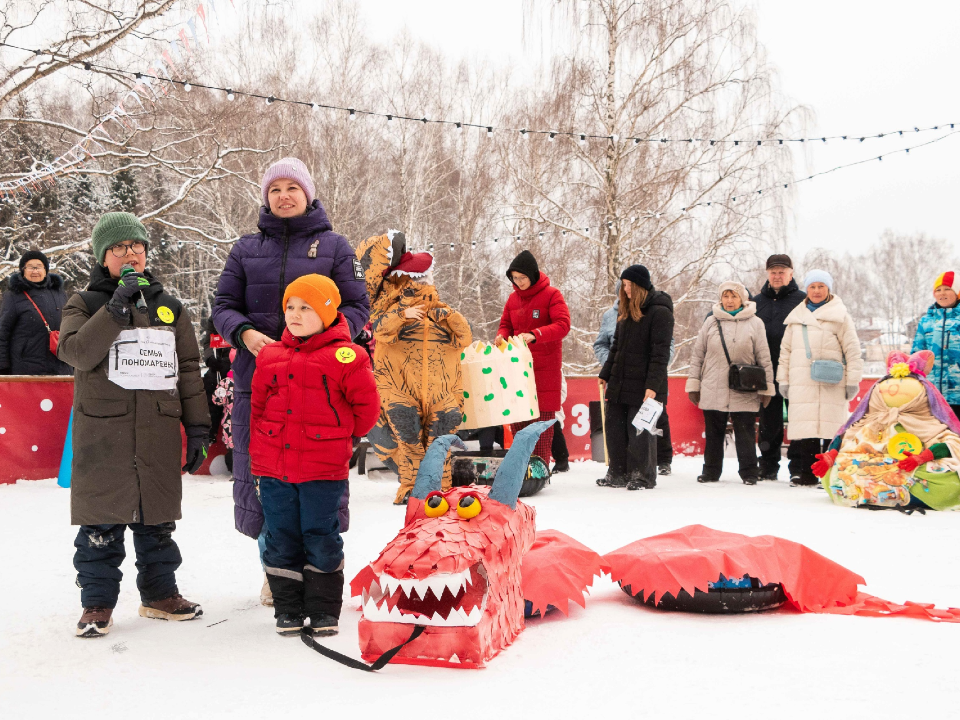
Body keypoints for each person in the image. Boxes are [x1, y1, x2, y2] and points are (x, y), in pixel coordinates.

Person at [212, 158, 370, 589]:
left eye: (292, 188)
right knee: (264, 476)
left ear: (308, 194)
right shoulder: (245, 250)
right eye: (275, 188)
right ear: (266, 197)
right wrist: (244, 335)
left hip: (321, 389)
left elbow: (356, 307)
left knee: (317, 479)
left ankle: (317, 569)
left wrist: (325, 346)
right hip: (257, 383)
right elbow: (222, 306)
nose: (283, 195)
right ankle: (276, 570)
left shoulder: (336, 248)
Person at [58, 212, 210, 638]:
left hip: (157, 431)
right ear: (103, 257)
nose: (130, 254)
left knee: (156, 522)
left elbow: (188, 369)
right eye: (119, 248)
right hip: (104, 433)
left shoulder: (170, 306)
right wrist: (114, 308)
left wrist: (198, 429)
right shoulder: (84, 303)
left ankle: (160, 595)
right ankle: (97, 604)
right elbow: (75, 352)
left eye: (137, 247)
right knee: (100, 524)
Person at [250, 274, 379, 636]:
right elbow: (258, 406)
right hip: (274, 467)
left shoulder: (348, 356)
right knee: (280, 536)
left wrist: (339, 436)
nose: (295, 313)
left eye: (306, 307)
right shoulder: (272, 354)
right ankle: (288, 609)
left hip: (322, 468)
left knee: (321, 535)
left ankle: (323, 610)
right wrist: (262, 446)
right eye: (290, 306)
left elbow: (366, 409)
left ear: (327, 312)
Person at [356, 231, 472, 505]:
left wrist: (449, 316)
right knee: (408, 437)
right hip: (401, 388)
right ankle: (412, 486)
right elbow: (382, 331)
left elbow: (464, 337)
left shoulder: (441, 311)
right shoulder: (389, 311)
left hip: (440, 390)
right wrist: (402, 315)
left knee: (439, 442)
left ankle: (438, 490)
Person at [777, 270, 862, 486]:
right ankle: (807, 475)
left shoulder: (841, 316)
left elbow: (852, 350)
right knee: (808, 432)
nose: (816, 291)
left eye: (821, 286)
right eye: (812, 286)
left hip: (831, 382)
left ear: (828, 288)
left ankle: (833, 476)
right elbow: (785, 353)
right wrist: (783, 380)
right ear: (807, 288)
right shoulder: (796, 318)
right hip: (803, 381)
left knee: (832, 430)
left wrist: (853, 380)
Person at [685, 282, 775, 485]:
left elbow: (764, 356)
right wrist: (694, 384)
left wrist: (767, 387)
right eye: (725, 296)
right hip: (712, 385)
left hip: (744, 387)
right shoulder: (710, 321)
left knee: (745, 432)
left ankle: (749, 473)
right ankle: (710, 472)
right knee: (714, 432)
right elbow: (698, 354)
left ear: (742, 299)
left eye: (734, 296)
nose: (729, 301)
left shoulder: (755, 323)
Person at [598, 265, 673, 490]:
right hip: (620, 381)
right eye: (624, 284)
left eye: (629, 284)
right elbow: (616, 347)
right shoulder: (625, 310)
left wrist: (653, 385)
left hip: (644, 384)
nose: (626, 288)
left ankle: (643, 475)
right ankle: (618, 473)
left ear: (640, 285)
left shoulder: (660, 312)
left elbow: (660, 353)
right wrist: (605, 373)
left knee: (640, 432)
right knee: (615, 429)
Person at [495, 250, 571, 468]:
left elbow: (563, 325)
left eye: (522, 278)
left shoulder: (552, 295)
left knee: (542, 427)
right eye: (514, 279)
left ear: (533, 275)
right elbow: (505, 324)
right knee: (519, 423)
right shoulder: (512, 299)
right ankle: (521, 471)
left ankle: (539, 471)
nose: (518, 283)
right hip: (517, 370)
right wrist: (501, 336)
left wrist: (536, 335)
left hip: (544, 370)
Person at [751, 254, 806, 480]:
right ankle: (767, 466)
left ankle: (799, 468)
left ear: (791, 274)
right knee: (768, 422)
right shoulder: (756, 302)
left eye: (782, 272)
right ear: (767, 274)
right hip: (766, 371)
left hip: (796, 371)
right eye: (773, 272)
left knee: (798, 419)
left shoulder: (803, 301)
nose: (777, 276)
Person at [0, 249, 71, 375]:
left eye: (39, 267)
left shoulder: (59, 293)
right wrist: (3, 367)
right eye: (30, 267)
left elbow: (71, 325)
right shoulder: (13, 296)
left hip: (60, 365)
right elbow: (3, 332)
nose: (35, 271)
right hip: (26, 368)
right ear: (23, 270)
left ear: (45, 270)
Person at [911, 271, 960, 420]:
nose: (942, 293)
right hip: (933, 394)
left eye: (947, 289)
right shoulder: (926, 322)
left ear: (958, 292)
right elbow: (917, 356)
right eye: (938, 290)